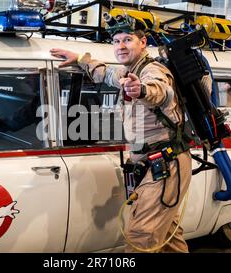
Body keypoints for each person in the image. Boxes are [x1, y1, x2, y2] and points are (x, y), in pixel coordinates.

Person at [51, 15, 210, 253]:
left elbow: (161, 91)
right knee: (168, 235)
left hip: (166, 164)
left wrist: (142, 90)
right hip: (151, 164)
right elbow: (105, 74)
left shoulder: (152, 71)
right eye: (116, 41)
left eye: (128, 40)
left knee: (141, 237)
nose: (121, 46)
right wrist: (81, 60)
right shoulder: (128, 71)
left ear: (143, 42)